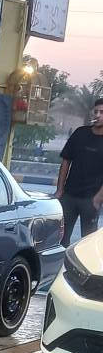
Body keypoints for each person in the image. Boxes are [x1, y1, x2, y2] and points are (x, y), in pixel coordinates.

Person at [55, 98, 103, 246]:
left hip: (91, 199)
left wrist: (98, 198)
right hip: (69, 196)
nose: (98, 115)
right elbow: (66, 161)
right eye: (96, 111)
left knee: (87, 243)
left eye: (102, 112)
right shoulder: (80, 133)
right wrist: (60, 190)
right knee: (60, 238)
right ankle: (61, 261)